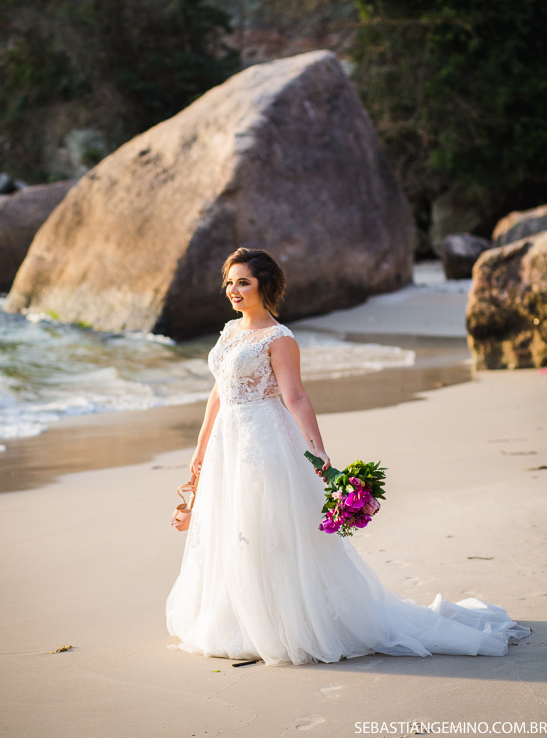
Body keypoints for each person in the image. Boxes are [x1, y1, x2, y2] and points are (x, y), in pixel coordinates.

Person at [166, 247, 530, 666]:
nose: (233, 290)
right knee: (232, 527)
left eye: (243, 281)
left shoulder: (278, 338)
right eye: (229, 282)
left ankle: (284, 623)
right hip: (227, 442)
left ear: (265, 284)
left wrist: (318, 451)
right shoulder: (230, 331)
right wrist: (200, 447)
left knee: (267, 528)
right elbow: (218, 391)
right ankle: (239, 619)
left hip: (262, 440)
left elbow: (296, 396)